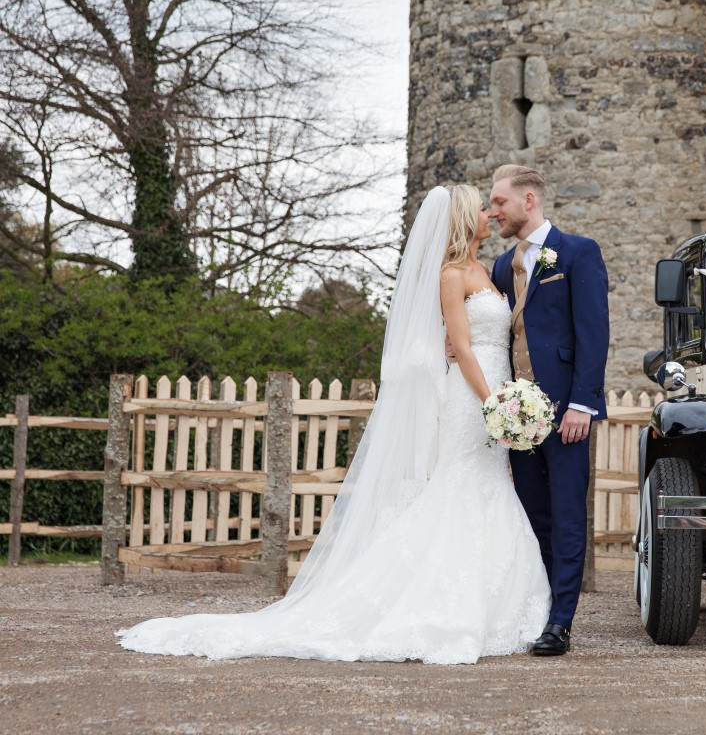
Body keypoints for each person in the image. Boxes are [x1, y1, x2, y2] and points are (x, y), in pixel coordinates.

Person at [116, 185, 551, 665]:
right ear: (466, 219)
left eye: (495, 207)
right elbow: (462, 347)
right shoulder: (451, 274)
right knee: (460, 486)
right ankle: (438, 606)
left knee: (487, 485)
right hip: (474, 398)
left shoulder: (486, 271)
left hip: (497, 389)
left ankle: (497, 608)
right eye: (484, 209)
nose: (492, 214)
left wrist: (509, 397)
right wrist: (492, 402)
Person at [489, 165, 610, 657]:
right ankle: (538, 611)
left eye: (499, 201)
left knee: (565, 516)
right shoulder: (501, 266)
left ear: (529, 200)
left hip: (566, 414)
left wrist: (583, 403)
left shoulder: (579, 253)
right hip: (518, 417)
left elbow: (593, 333)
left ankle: (561, 622)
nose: (492, 211)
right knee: (532, 515)